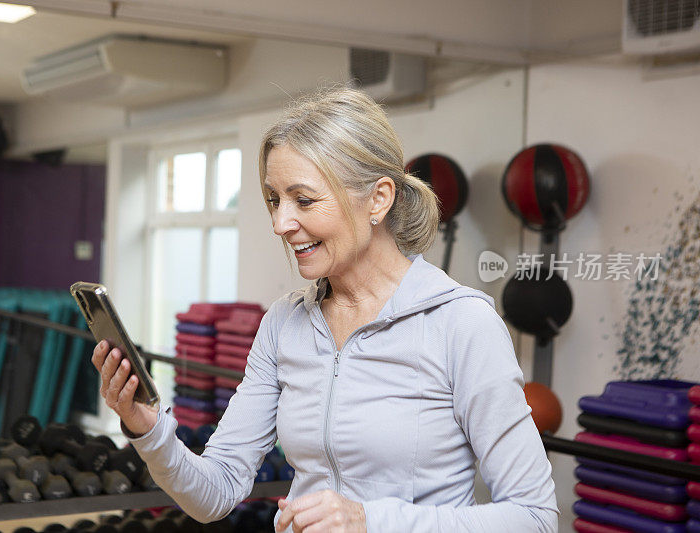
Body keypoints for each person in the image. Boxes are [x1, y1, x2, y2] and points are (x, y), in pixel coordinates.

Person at [92, 87, 559, 532]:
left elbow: (534, 517)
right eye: (274, 200)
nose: (280, 223)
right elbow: (215, 492)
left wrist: (372, 522)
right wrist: (149, 431)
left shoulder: (462, 324)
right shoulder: (284, 325)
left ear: (378, 198)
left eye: (304, 200)